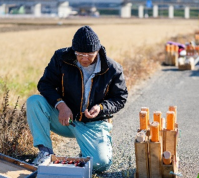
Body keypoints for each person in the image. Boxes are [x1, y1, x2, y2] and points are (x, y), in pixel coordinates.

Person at [26, 26, 128, 172]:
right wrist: (61, 105)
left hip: (93, 124)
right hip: (66, 119)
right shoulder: (61, 58)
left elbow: (120, 98)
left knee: (100, 164)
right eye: (80, 54)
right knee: (34, 102)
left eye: (89, 54)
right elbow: (45, 84)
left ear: (97, 50)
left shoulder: (112, 69)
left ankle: (88, 150)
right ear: (74, 51)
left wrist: (101, 108)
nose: (84, 58)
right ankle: (45, 152)